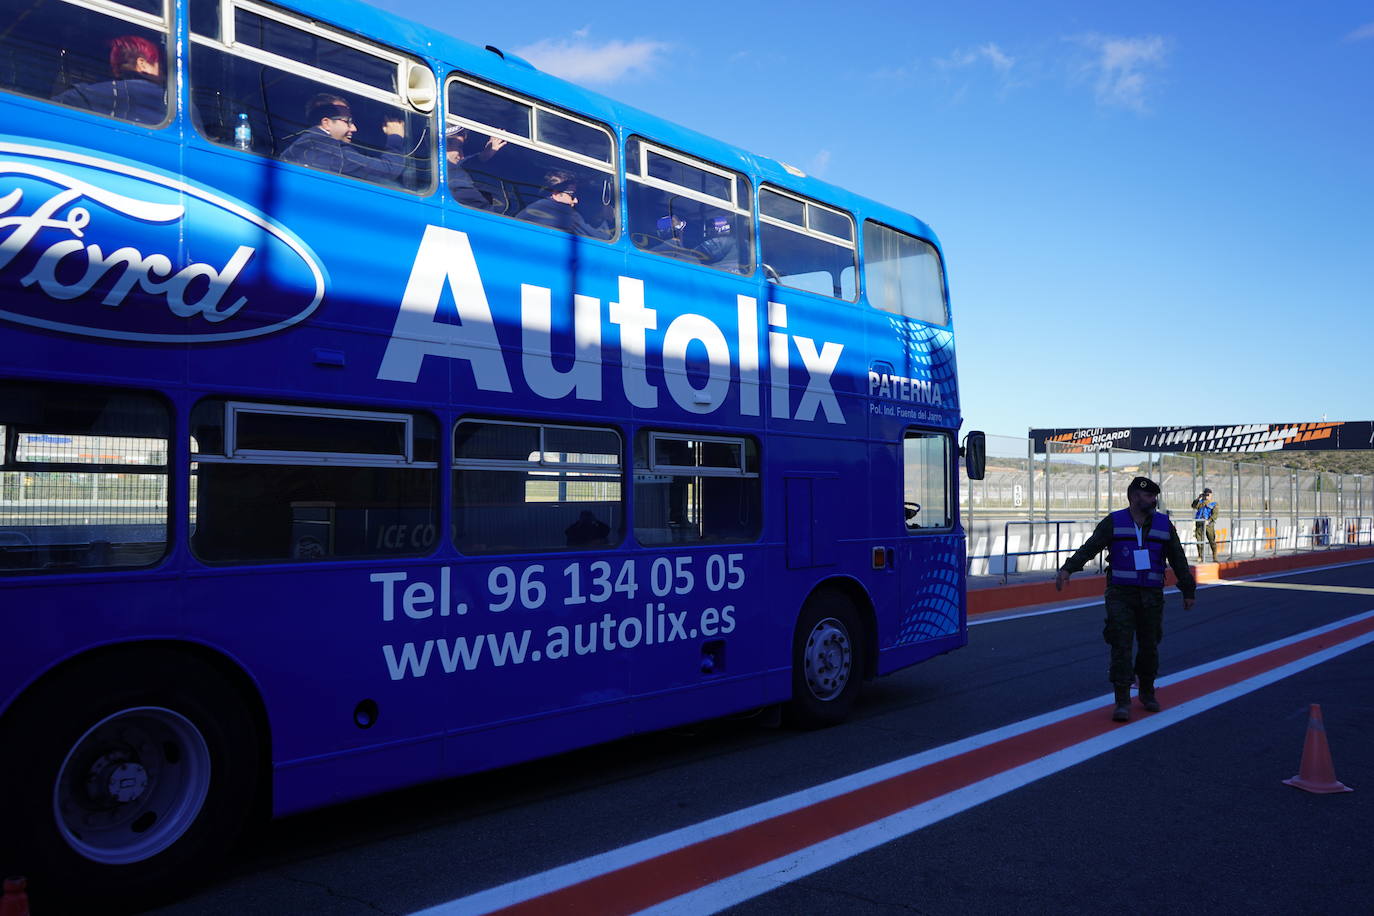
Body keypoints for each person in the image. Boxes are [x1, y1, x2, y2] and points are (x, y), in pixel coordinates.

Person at [1055, 476, 1197, 722]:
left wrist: (1188, 590)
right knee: (1121, 645)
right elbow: (1091, 547)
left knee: (1149, 645)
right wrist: (1068, 568)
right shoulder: (1114, 521)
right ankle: (1122, 701)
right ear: (1133, 497)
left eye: (1154, 496)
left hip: (1152, 595)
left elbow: (1178, 558)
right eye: (1148, 496)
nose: (1153, 500)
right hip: (1120, 594)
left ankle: (1147, 692)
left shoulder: (1164, 524)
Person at [281, 93, 406, 184]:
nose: (354, 128)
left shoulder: (302, 145)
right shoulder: (327, 149)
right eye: (348, 122)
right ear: (326, 123)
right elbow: (389, 170)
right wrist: (395, 136)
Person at [53, 35, 165, 125]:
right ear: (142, 64)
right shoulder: (162, 98)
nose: (162, 73)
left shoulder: (89, 93)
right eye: (157, 65)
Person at [516, 170, 612, 239]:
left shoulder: (537, 205)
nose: (576, 201)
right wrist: (603, 216)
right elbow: (600, 238)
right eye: (572, 195)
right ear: (556, 194)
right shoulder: (564, 212)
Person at [445, 124, 506, 208]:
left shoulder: (457, 168)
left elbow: (468, 162)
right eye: (459, 147)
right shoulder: (434, 170)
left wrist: (486, 154)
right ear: (444, 145)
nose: (461, 156)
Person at [1191, 487, 1219, 562]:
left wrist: (1209, 520)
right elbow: (1193, 506)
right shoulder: (1200, 503)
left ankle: (1215, 556)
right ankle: (1200, 556)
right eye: (1205, 494)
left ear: (1211, 495)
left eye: (1208, 495)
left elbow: (1215, 515)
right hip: (1199, 523)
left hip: (1208, 525)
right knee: (1199, 540)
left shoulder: (1214, 504)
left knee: (1211, 540)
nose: (1206, 496)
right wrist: (1198, 498)